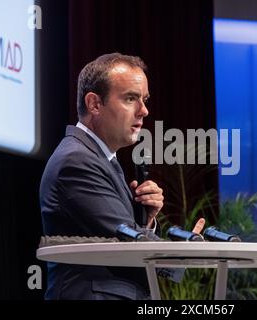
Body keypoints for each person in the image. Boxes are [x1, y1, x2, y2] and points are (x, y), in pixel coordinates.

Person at [39, 53, 205, 300]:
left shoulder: (102, 159)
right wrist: (185, 253)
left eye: (145, 100)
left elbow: (120, 235)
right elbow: (126, 240)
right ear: (94, 103)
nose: (144, 111)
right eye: (131, 98)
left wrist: (147, 219)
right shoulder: (77, 161)